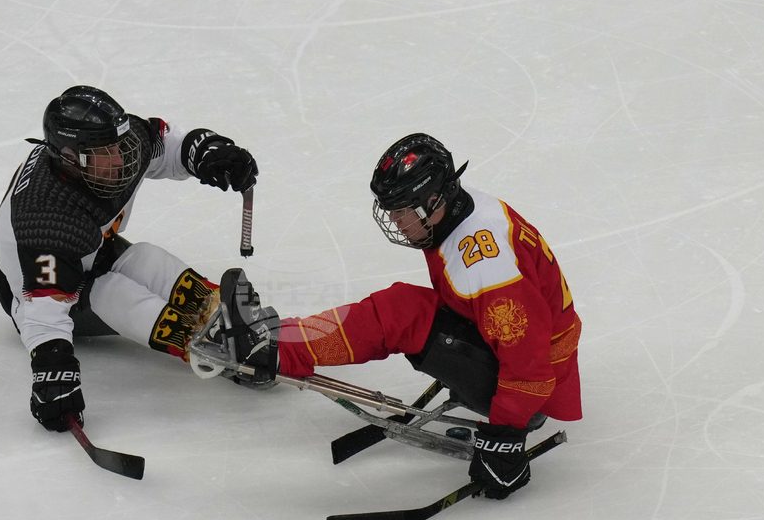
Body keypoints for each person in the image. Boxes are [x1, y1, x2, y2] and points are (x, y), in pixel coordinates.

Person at [201, 133, 581, 500]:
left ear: (434, 200)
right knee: (400, 309)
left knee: (402, 315)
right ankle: (282, 342)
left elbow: (528, 365)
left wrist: (506, 438)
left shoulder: (484, 264)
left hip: (531, 390)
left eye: (402, 210)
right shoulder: (467, 213)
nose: (395, 220)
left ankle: (274, 349)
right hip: (519, 356)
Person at [0, 85, 258, 433]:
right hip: (31, 292)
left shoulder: (117, 147)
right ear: (70, 159)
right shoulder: (47, 223)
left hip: (91, 251)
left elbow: (167, 145)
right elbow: (43, 316)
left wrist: (208, 151)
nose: (120, 160)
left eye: (119, 146)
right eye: (105, 154)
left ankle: (222, 316)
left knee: (145, 258)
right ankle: (209, 346)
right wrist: (53, 372)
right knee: (110, 291)